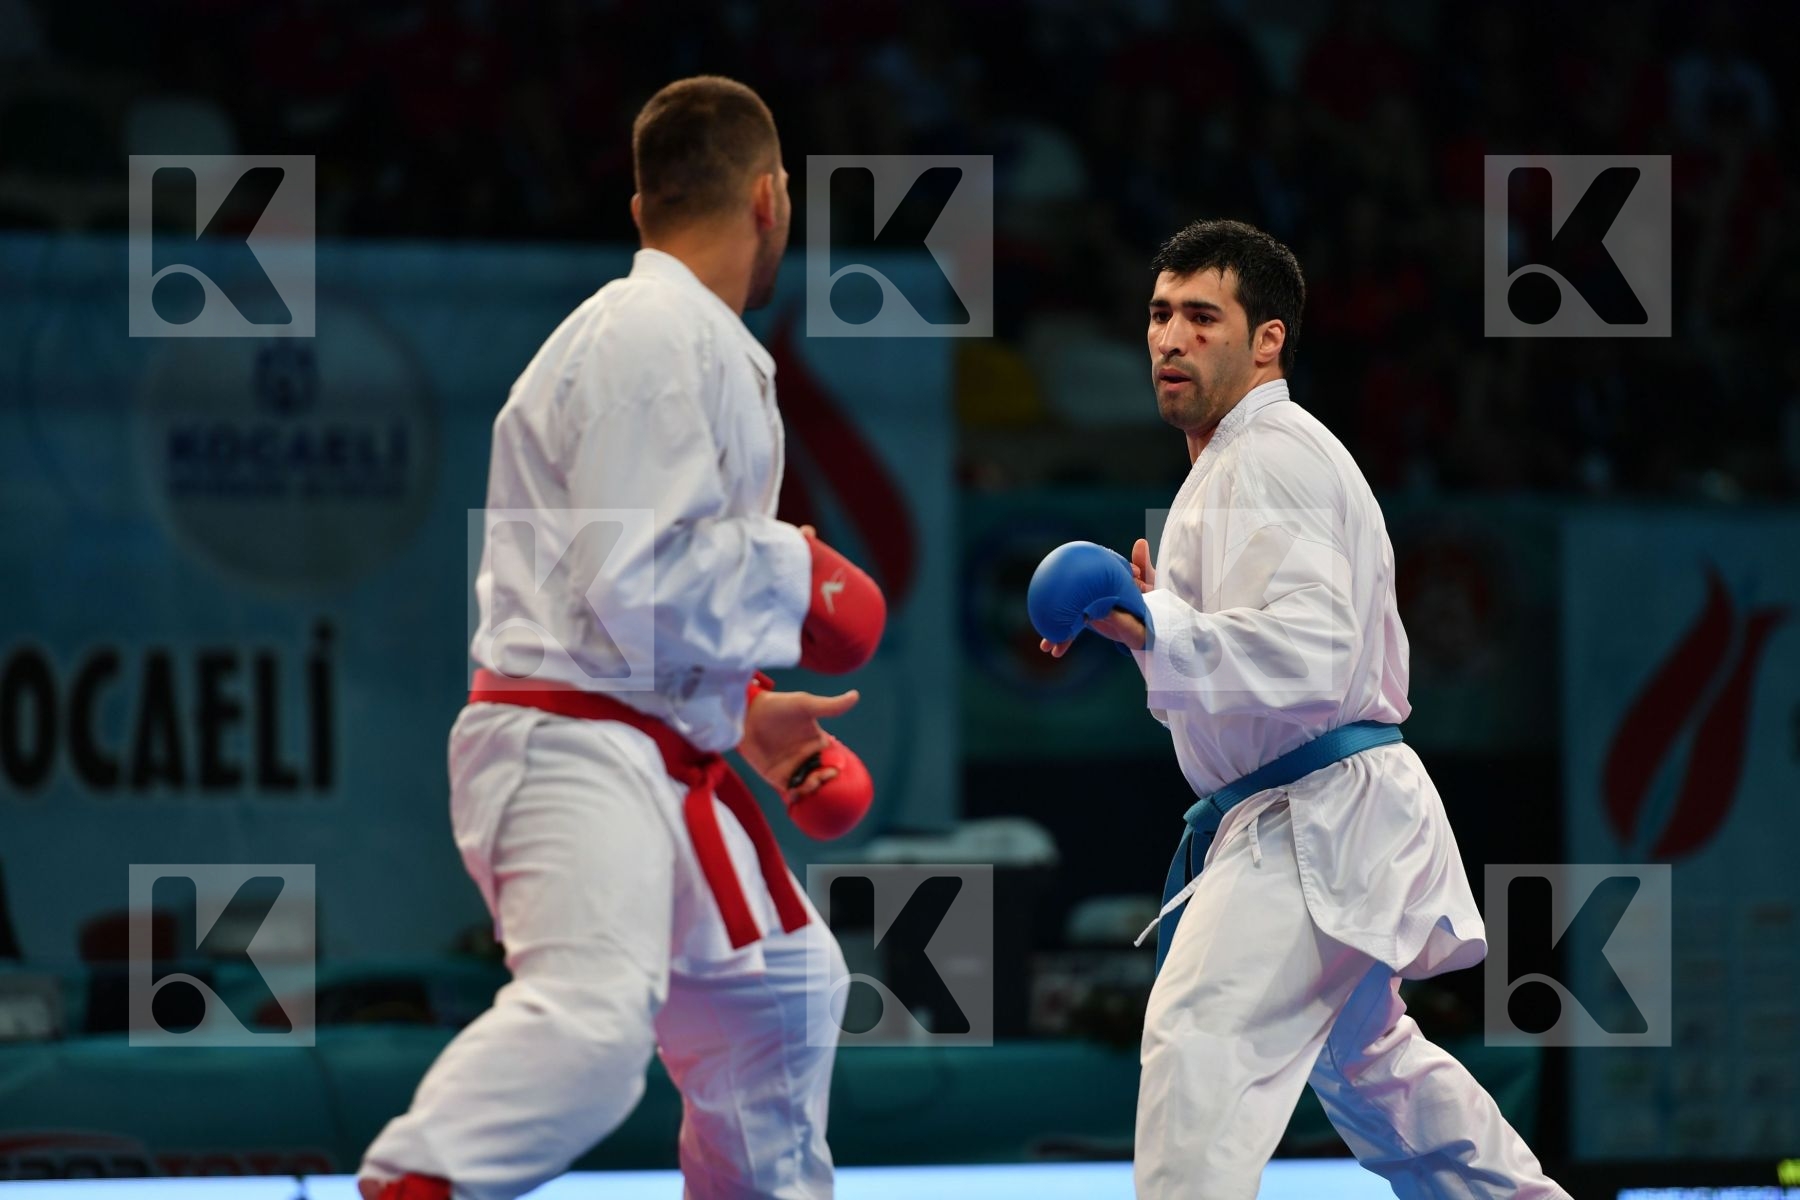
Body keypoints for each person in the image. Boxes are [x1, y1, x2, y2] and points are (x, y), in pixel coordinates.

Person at [358, 76, 885, 1200]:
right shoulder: (650, 334)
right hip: (571, 751)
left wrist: (744, 709)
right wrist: (799, 575)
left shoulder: (681, 337)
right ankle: (412, 1183)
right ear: (771, 199)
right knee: (592, 1030)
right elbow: (639, 573)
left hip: (639, 741)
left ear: (643, 207)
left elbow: (624, 589)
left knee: (781, 993)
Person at [1032, 219, 1570, 1199]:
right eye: (1159, 314)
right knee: (1377, 1077)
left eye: (1203, 317)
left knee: (1201, 1037)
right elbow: (1256, 669)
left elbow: (1315, 652)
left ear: (1266, 340)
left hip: (1314, 815)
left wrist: (1160, 625)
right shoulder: (1231, 466)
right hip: (1312, 807)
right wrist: (1162, 622)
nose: (1171, 338)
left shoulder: (1268, 453)